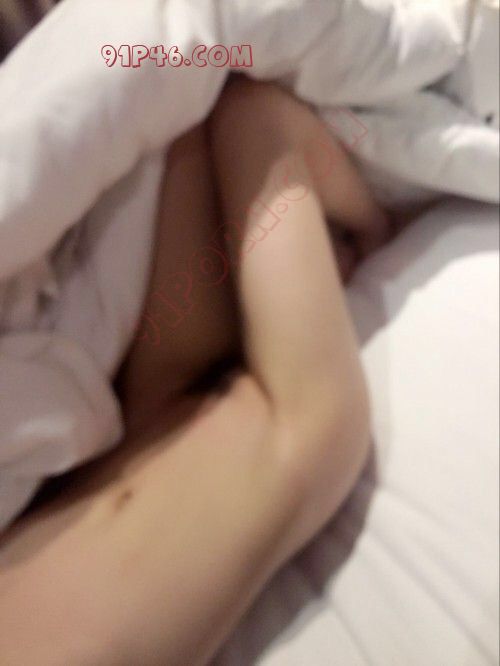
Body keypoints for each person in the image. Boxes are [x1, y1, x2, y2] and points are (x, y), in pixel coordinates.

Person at [0, 77, 388, 664]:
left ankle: (363, 231)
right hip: (261, 420)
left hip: (152, 416)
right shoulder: (308, 425)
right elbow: (255, 116)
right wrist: (377, 229)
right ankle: (378, 227)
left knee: (189, 93)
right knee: (231, 106)